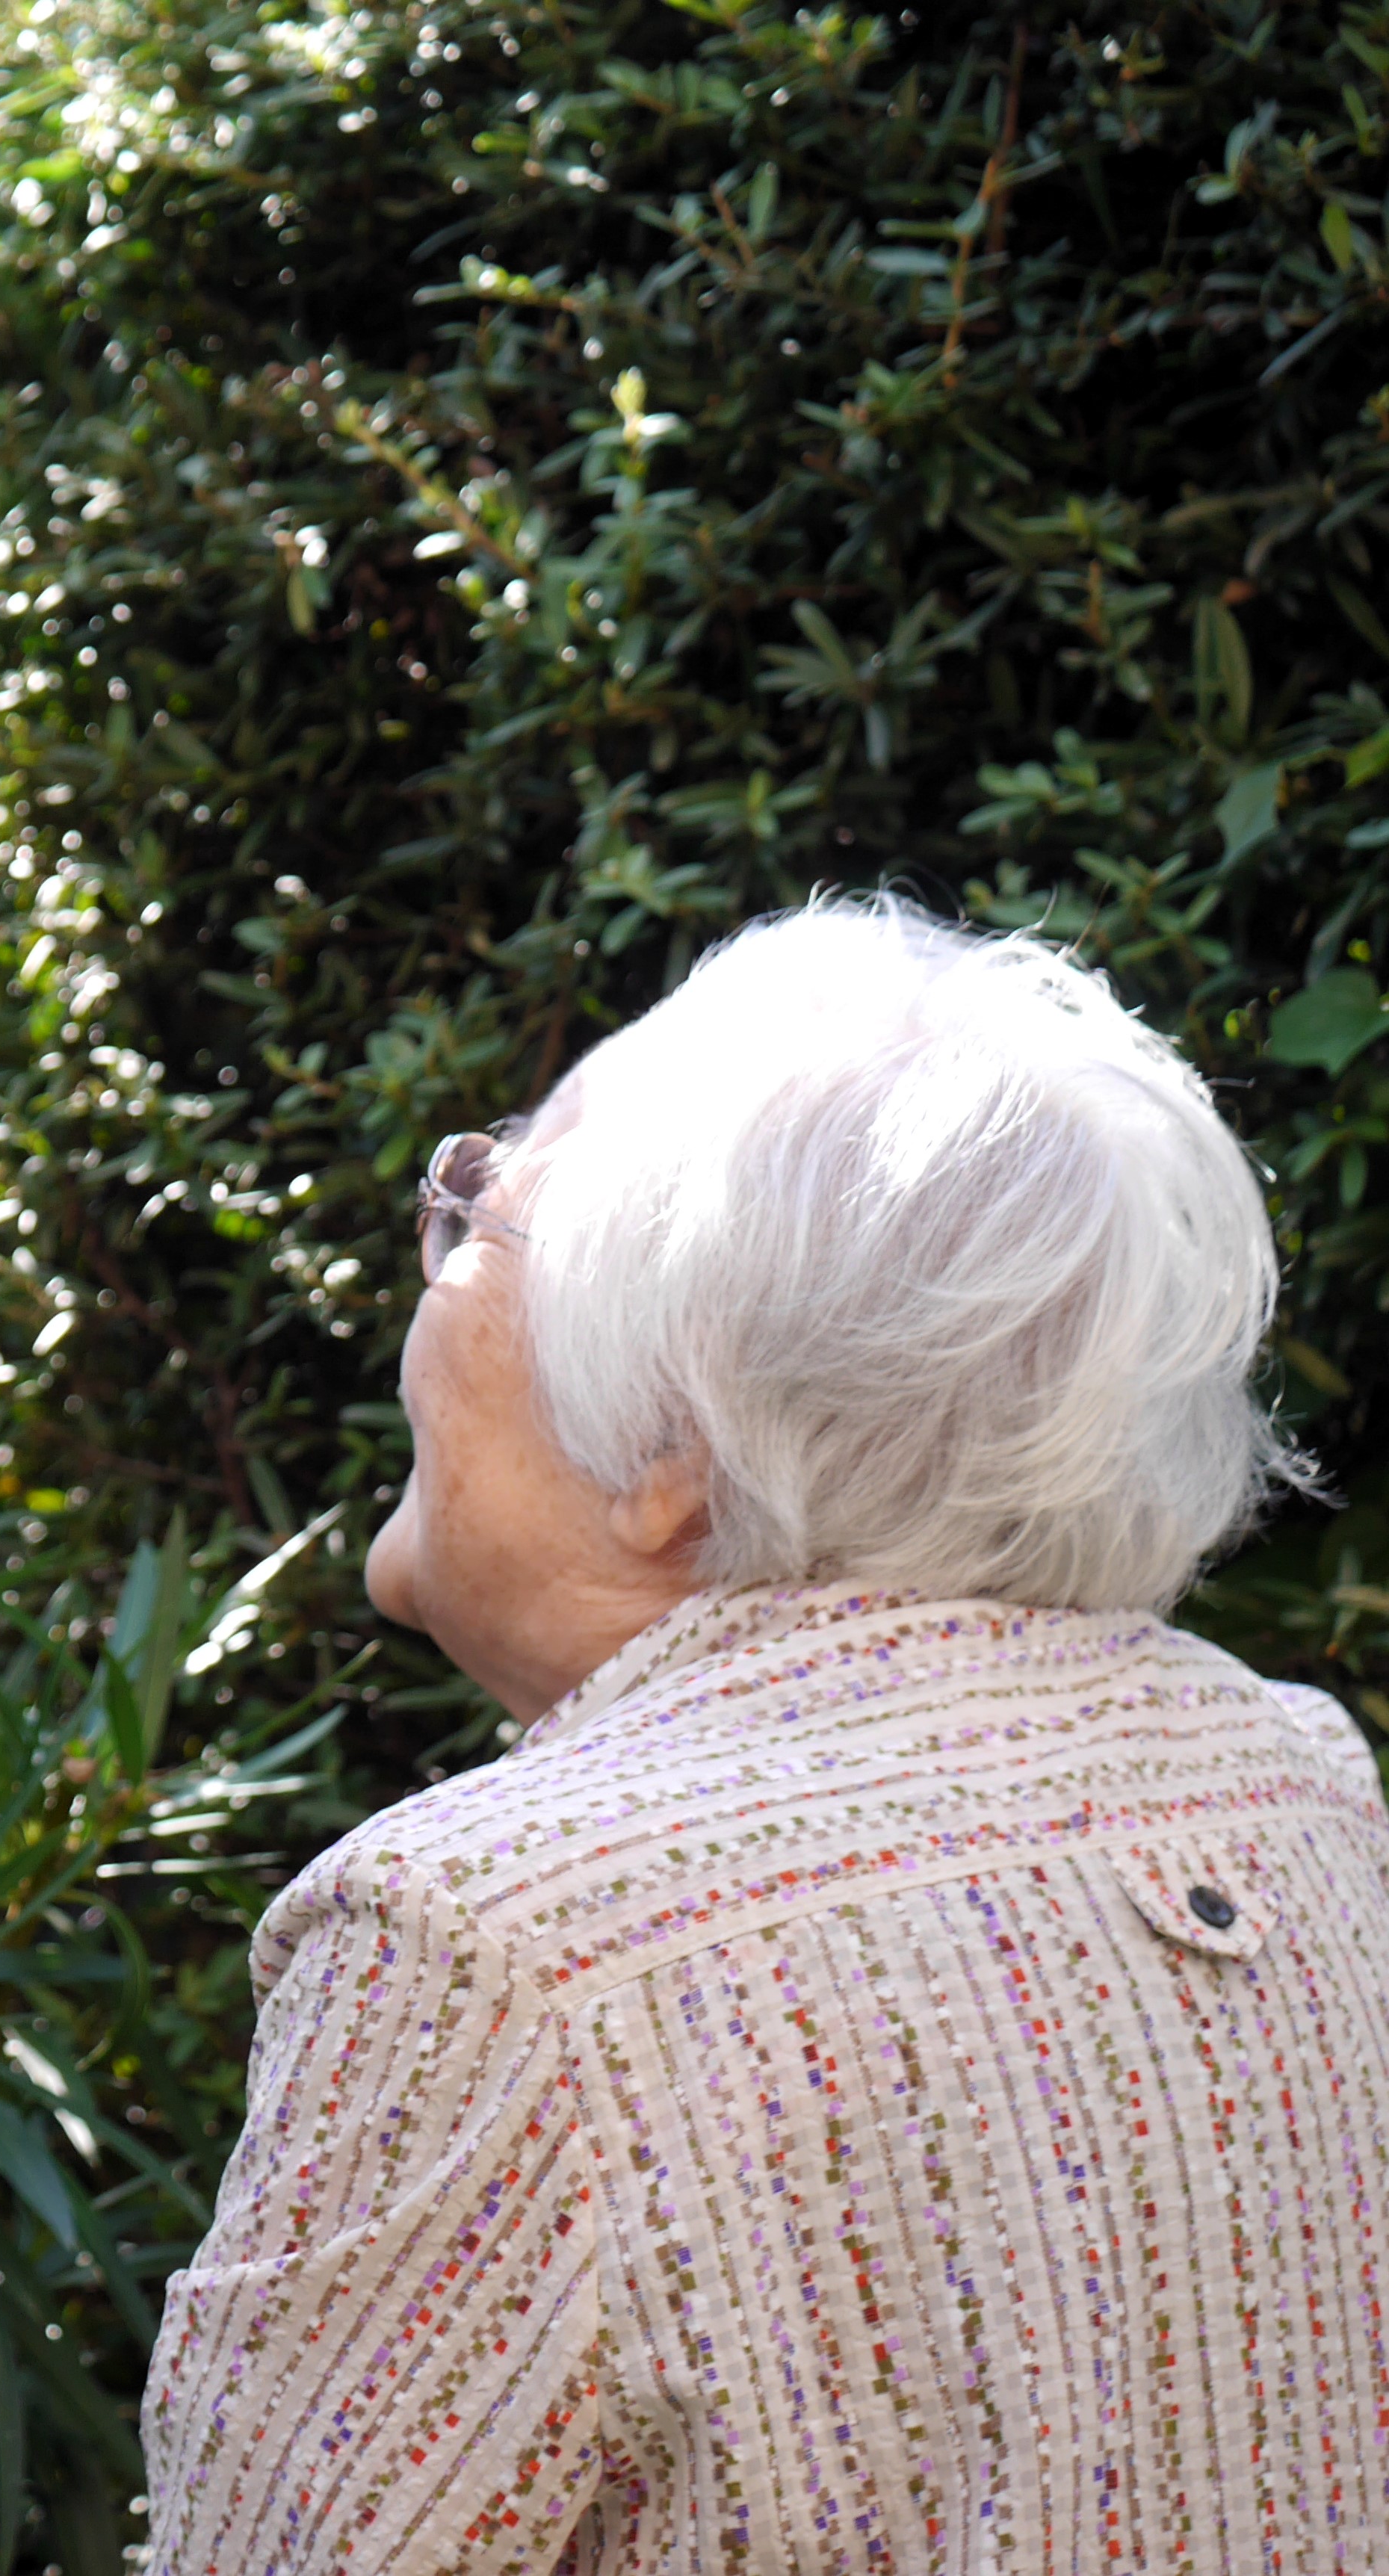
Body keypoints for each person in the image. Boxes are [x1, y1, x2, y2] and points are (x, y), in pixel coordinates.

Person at [140, 899, 1389, 2573]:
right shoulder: (1294, 1782)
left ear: (676, 1447)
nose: (425, 1279)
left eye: (479, 1217)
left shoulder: (493, 1944)